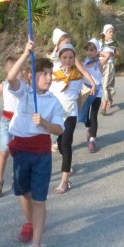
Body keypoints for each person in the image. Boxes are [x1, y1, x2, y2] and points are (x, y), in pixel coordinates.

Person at [6, 40, 65, 247]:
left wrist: (45, 124)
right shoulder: (24, 93)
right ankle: (29, 222)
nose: (49, 78)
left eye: (51, 74)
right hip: (20, 150)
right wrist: (25, 53)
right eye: (44, 74)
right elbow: (11, 78)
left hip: (41, 153)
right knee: (23, 191)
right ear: (31, 76)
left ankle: (36, 245)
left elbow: (59, 130)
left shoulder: (53, 102)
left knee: (39, 199)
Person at [50, 43, 86, 193]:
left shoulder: (78, 76)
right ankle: (67, 161)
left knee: (66, 143)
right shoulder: (53, 75)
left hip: (70, 114)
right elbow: (49, 94)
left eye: (71, 57)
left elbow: (78, 95)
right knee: (59, 142)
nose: (67, 60)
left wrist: (77, 111)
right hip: (57, 114)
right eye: (64, 57)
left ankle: (64, 181)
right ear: (59, 58)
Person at [0, 56, 21, 198]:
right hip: (6, 121)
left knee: (18, 152)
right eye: (19, 70)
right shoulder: (3, 85)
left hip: (20, 122)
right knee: (4, 152)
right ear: (10, 72)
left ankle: (17, 177)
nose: (22, 73)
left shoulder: (24, 87)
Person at [78, 38, 104, 153]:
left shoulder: (99, 63)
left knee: (94, 114)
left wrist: (99, 53)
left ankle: (92, 139)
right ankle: (89, 127)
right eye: (88, 50)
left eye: (92, 50)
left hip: (97, 91)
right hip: (85, 90)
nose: (89, 52)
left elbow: (107, 54)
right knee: (83, 114)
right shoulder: (82, 63)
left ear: (96, 51)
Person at [100, 24, 121, 115]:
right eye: (110, 31)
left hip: (109, 65)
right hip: (100, 65)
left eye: (113, 32)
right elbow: (95, 52)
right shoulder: (100, 42)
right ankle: (109, 98)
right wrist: (103, 54)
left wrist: (111, 54)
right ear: (105, 33)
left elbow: (118, 55)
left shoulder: (114, 43)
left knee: (105, 86)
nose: (112, 33)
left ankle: (103, 108)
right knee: (103, 85)